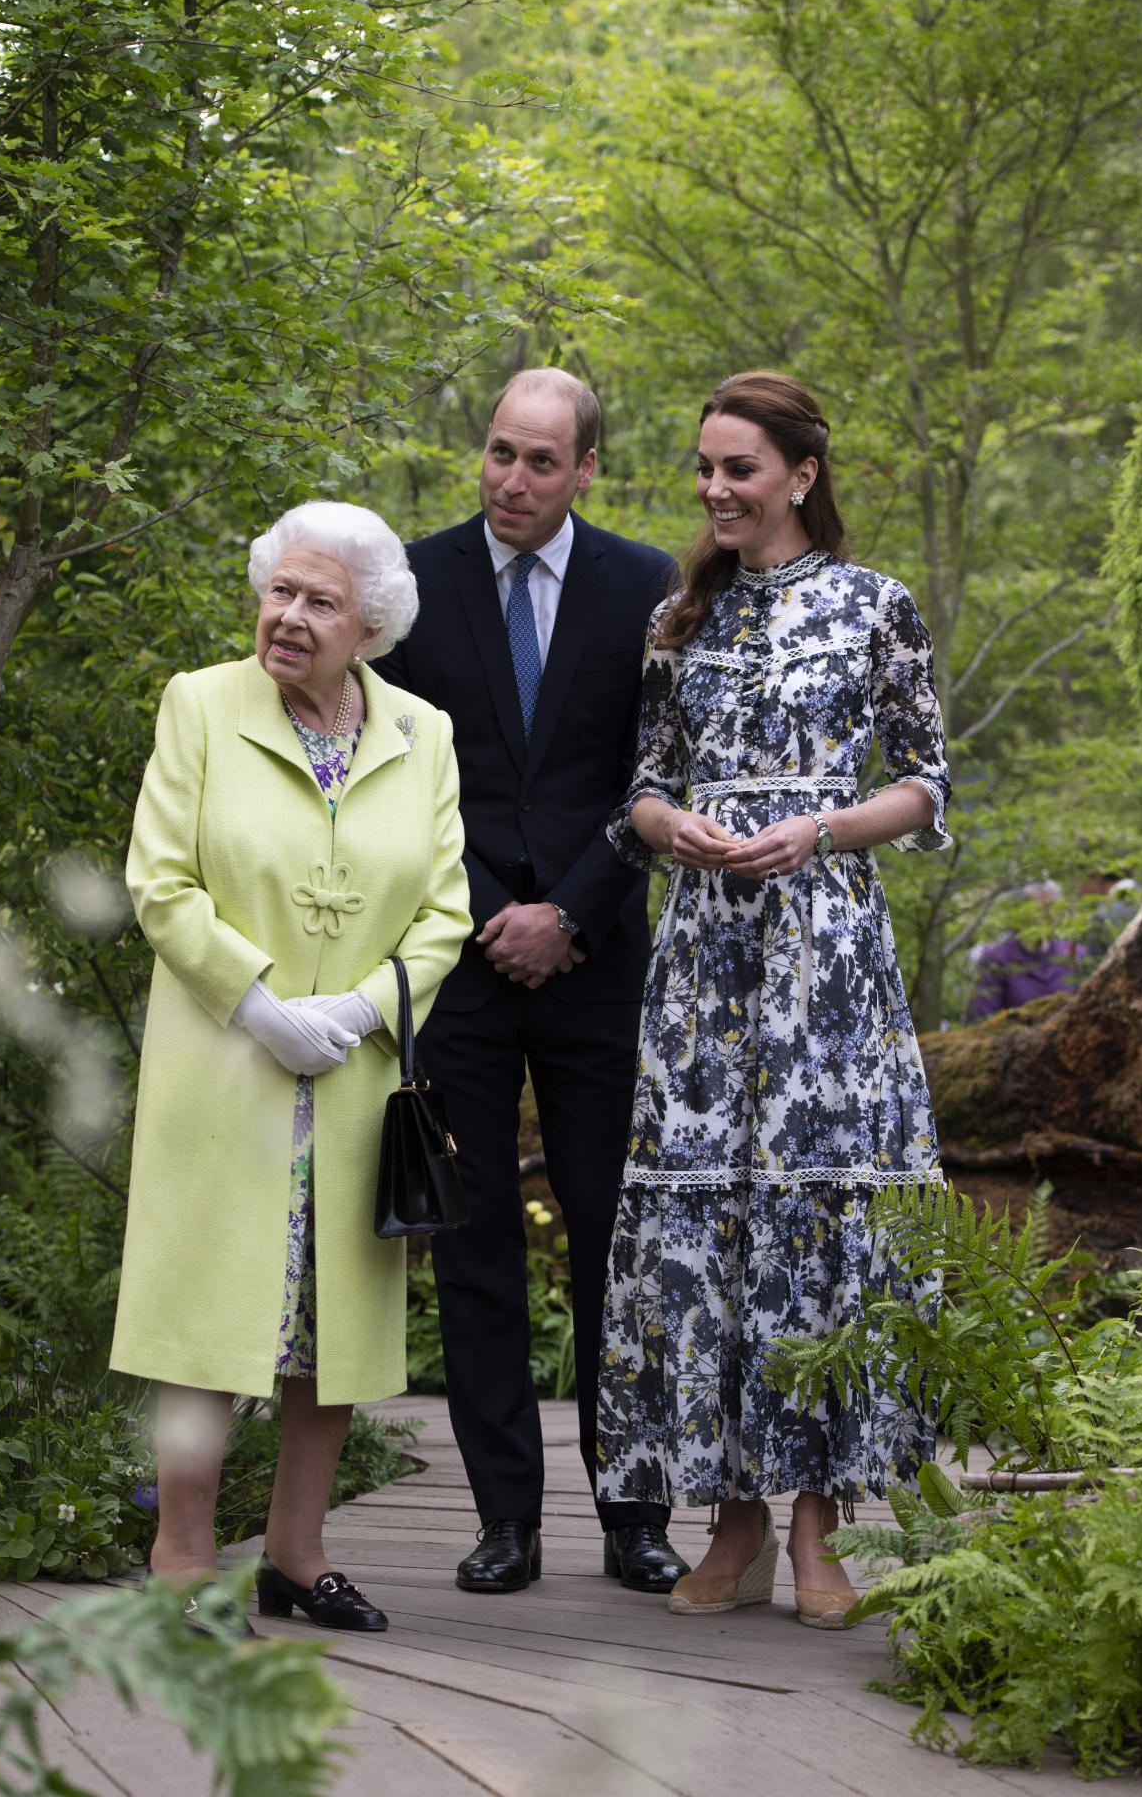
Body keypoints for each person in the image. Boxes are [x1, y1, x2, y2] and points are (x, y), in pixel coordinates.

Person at [597, 371, 951, 1629]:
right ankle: (729, 1524)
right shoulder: (679, 619)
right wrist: (669, 824)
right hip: (704, 968)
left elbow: (924, 786)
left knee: (814, 1224)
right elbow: (638, 788)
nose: (713, 489)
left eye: (737, 468)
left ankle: (816, 1529)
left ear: (800, 473)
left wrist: (824, 828)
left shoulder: (876, 609)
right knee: (713, 1235)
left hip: (825, 960)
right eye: (704, 467)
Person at [110, 501, 471, 1634]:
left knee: (327, 1325)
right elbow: (160, 881)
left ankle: (297, 1554)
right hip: (228, 1064)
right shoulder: (202, 704)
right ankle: (180, 1551)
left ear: (369, 624)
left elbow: (446, 909)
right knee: (206, 1316)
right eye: (280, 591)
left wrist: (364, 1008)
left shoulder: (425, 732)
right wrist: (261, 1005)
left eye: (320, 602)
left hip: (356, 1079)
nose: (289, 617)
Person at [374, 367, 686, 1594]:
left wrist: (572, 909)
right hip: (457, 963)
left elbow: (655, 769)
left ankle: (633, 1516)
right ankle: (505, 1517)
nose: (512, 479)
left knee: (620, 1236)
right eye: (500, 452)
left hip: (598, 958)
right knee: (476, 1242)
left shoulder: (645, 584)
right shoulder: (414, 579)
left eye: (541, 461)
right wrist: (491, 911)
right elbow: (388, 771)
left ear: (588, 469)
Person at [967, 881, 1083, 1019]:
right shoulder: (996, 958)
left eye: (1051, 908)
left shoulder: (1073, 954)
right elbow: (986, 1017)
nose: (1046, 917)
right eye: (1038, 910)